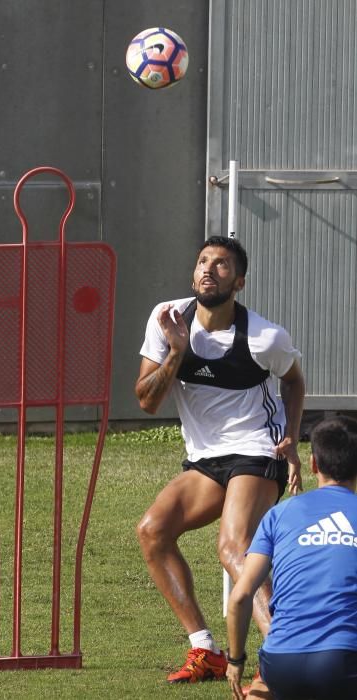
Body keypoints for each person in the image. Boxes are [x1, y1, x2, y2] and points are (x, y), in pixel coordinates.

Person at [135, 235, 305, 683]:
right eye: (203, 261)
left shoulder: (266, 336)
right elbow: (147, 401)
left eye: (223, 264)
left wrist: (289, 439)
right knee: (152, 531)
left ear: (240, 281)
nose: (209, 269)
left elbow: (294, 382)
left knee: (233, 548)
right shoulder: (167, 319)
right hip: (205, 460)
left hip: (255, 450)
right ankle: (205, 650)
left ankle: (286, 654)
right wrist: (176, 351)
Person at [226, 415, 357, 700]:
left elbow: (239, 596)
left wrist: (235, 661)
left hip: (280, 662)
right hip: (343, 660)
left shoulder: (279, 514)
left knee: (264, 690)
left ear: (313, 464)